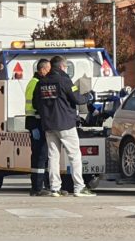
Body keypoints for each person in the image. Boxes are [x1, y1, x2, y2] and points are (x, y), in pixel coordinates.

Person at [33, 55, 96, 197]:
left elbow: (36, 104)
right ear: (62, 66)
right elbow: (78, 99)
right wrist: (89, 96)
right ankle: (79, 187)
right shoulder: (65, 80)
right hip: (66, 124)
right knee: (74, 155)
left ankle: (54, 188)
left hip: (49, 125)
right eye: (66, 67)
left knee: (53, 156)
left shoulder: (41, 83)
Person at [25, 59, 51, 196]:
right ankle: (37, 187)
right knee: (40, 156)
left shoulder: (34, 82)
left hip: (34, 123)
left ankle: (42, 186)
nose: (49, 72)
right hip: (35, 123)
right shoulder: (36, 83)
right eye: (48, 69)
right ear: (42, 70)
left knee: (42, 156)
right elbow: (35, 106)